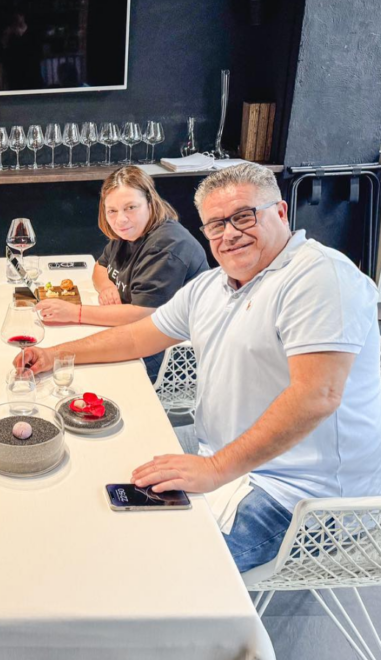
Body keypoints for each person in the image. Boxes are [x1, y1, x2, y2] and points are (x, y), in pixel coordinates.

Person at [19, 163, 381, 572]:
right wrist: (55, 354)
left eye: (244, 216)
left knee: (167, 570)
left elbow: (317, 395)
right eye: (215, 225)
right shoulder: (213, 286)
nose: (229, 234)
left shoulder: (319, 277)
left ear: (281, 213)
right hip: (223, 458)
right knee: (96, 481)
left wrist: (213, 469)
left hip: (299, 496)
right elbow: (138, 336)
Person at [36, 166, 208, 381]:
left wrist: (75, 313)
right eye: (112, 211)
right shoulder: (129, 234)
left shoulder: (166, 245)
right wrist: (107, 287)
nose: (121, 219)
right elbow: (100, 266)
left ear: (150, 202)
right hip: (135, 333)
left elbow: (142, 313)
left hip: (171, 355)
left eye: (130, 207)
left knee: (78, 377)